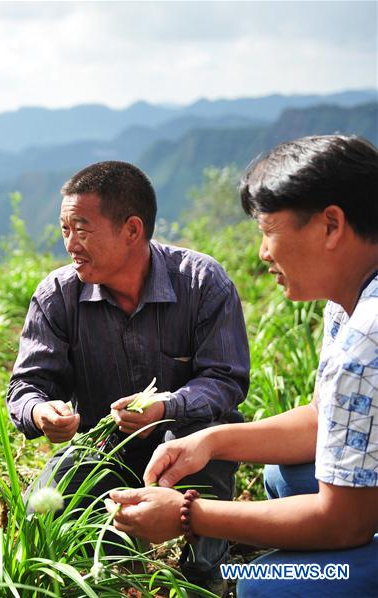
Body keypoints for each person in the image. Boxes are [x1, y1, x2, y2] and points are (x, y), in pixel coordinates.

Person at [106, 135, 378, 596]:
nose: (263, 253)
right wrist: (211, 441)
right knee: (285, 475)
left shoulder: (366, 341)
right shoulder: (349, 300)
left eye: (268, 231)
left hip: (348, 519)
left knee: (263, 583)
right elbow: (327, 419)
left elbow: (343, 521)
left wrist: (188, 515)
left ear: (331, 225)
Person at [7, 161, 250, 590]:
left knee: (204, 435)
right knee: (39, 512)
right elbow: (27, 385)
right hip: (104, 448)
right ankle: (112, 563)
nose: (70, 244)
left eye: (82, 230)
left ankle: (205, 569)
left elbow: (225, 380)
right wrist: (41, 412)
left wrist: (167, 406)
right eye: (65, 230)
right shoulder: (58, 295)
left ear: (132, 230)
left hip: (187, 445)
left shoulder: (201, 282)